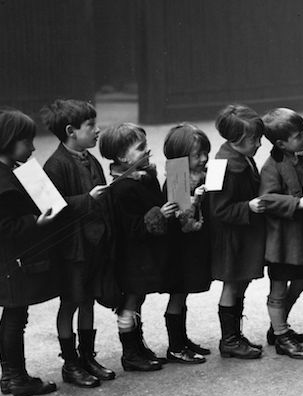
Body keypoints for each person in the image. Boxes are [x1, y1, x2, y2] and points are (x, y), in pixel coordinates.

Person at [0, 108, 59, 396]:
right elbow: (5, 228)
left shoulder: (6, 171)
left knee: (14, 315)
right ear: (8, 142)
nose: (33, 147)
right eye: (27, 142)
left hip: (9, 261)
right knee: (15, 316)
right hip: (10, 262)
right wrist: (36, 222)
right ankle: (16, 378)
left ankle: (10, 375)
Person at [40, 99, 113, 388]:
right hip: (73, 249)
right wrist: (87, 200)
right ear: (71, 130)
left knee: (88, 299)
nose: (98, 131)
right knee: (70, 301)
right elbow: (49, 208)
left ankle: (87, 356)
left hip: (94, 243)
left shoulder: (91, 158)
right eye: (91, 126)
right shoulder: (55, 165)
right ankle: (70, 363)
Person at [99, 122, 175, 372]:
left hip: (142, 252)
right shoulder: (122, 187)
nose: (146, 151)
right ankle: (130, 352)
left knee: (138, 299)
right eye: (140, 148)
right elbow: (131, 227)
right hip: (131, 255)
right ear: (122, 156)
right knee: (130, 301)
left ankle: (138, 346)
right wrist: (159, 214)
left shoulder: (143, 177)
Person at [259, 108, 303, 359]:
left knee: (301, 280)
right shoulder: (272, 166)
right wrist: (298, 203)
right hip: (281, 240)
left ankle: (278, 326)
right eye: (298, 135)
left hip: (300, 237)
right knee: (278, 287)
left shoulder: (300, 158)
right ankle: (281, 335)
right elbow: (266, 198)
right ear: (281, 143)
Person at [208, 105, 267, 359]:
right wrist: (249, 206)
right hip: (230, 237)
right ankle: (229, 340)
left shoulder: (242, 158)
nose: (259, 144)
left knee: (240, 284)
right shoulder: (223, 166)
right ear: (238, 140)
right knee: (232, 286)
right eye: (255, 139)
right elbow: (218, 210)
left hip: (242, 234)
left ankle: (235, 335)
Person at [161, 123, 214, 364]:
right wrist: (197, 198)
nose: (204, 159)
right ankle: (175, 346)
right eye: (197, 155)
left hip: (189, 246)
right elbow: (184, 220)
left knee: (183, 296)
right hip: (177, 249)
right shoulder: (177, 177)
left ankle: (182, 340)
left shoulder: (195, 175)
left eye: (206, 153)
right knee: (178, 294)